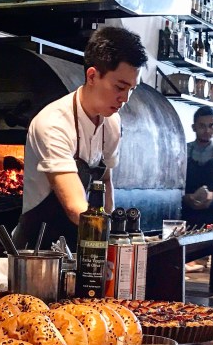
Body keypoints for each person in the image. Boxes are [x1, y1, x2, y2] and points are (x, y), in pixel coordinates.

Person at [15, 26, 148, 250]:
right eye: (120, 87)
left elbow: (105, 180)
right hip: (38, 251)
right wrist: (109, 235)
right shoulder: (53, 123)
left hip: (83, 240)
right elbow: (74, 206)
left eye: (132, 89)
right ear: (92, 76)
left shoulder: (111, 122)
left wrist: (110, 241)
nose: (125, 98)